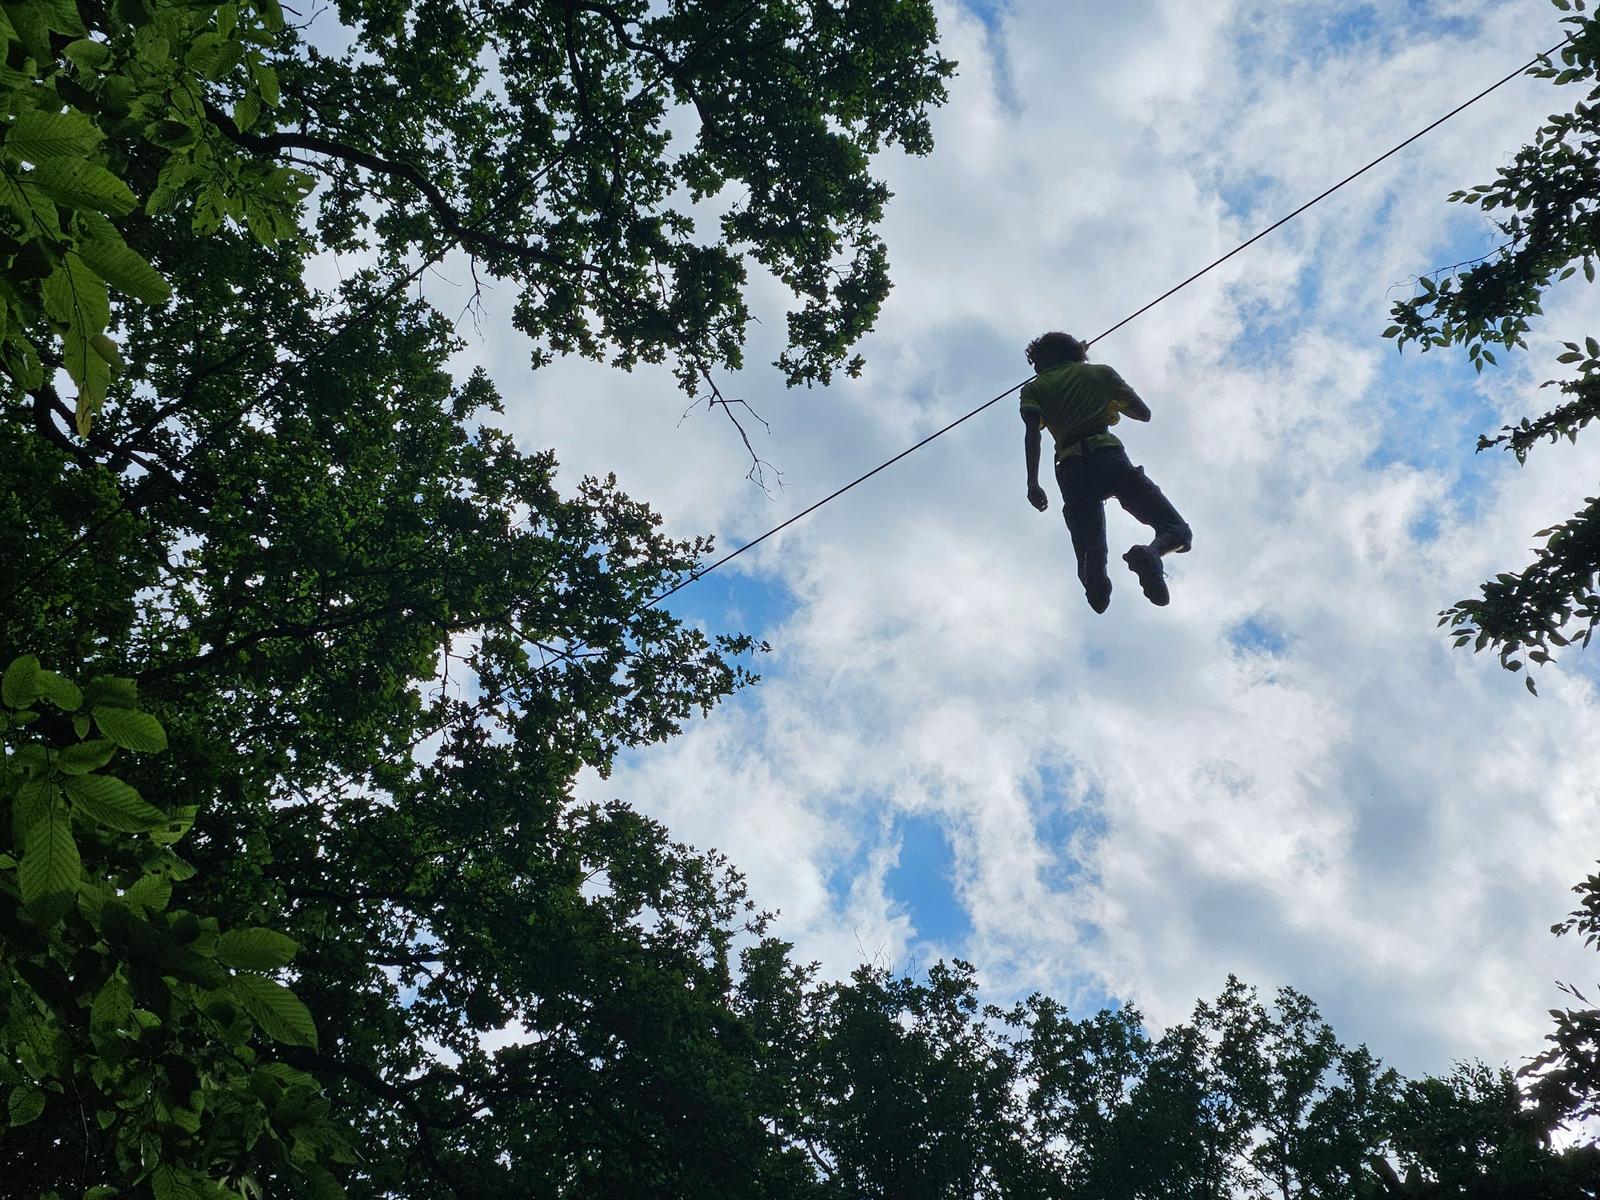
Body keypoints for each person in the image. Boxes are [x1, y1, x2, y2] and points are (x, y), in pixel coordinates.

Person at [1020, 331, 1192, 612]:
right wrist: (1098, 386)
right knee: (1177, 531)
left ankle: (1096, 580)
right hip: (1108, 456)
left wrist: (1033, 483)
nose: (1035, 368)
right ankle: (1152, 553)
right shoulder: (1100, 374)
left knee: (1089, 551)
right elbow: (1143, 413)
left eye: (1037, 362)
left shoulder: (1033, 389)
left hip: (1071, 468)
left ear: (1045, 360)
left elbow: (1032, 436)